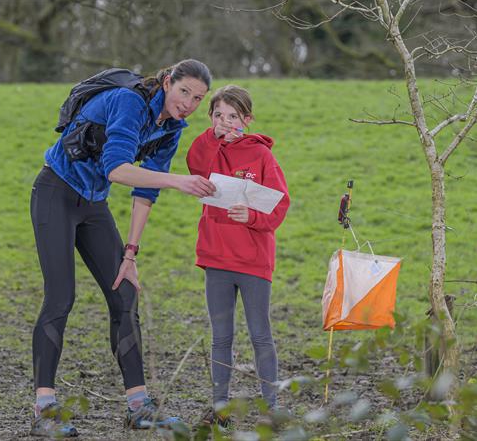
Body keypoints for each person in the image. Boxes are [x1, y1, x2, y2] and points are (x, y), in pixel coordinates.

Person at [29, 59, 216, 437]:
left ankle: (139, 406)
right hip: (55, 193)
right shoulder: (129, 102)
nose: (189, 103)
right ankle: (44, 411)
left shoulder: (171, 128)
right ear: (167, 82)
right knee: (61, 297)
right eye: (184, 92)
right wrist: (180, 181)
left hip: (93, 203)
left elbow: (145, 193)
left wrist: (130, 253)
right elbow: (117, 168)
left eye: (198, 98)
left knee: (124, 292)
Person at [186, 85, 290, 427]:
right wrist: (210, 137)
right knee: (221, 337)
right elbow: (194, 164)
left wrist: (254, 217)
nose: (225, 122)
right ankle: (219, 408)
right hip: (215, 258)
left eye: (232, 116)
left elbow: (279, 204)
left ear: (247, 119)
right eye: (218, 115)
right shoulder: (209, 150)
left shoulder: (262, 156)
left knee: (261, 334)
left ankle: (271, 408)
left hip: (253, 261)